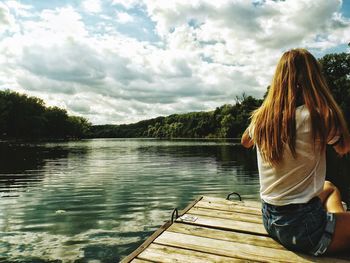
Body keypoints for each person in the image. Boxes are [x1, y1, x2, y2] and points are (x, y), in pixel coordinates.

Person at [241, 48, 350, 256]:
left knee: (329, 187)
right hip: (304, 230)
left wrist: (267, 109)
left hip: (271, 220)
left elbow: (245, 141)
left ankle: (335, 223)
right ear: (313, 79)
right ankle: (333, 229)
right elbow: (344, 148)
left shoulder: (261, 119)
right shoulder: (319, 116)